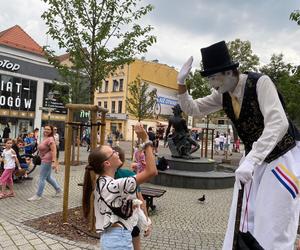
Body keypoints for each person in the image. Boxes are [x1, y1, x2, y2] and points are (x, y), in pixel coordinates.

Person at [176, 40, 300, 249]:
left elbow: (278, 123)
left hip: (282, 155)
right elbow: (193, 109)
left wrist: (251, 160)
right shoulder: (222, 94)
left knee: (274, 221)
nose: (212, 84)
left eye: (214, 77)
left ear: (230, 72)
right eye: (210, 79)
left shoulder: (261, 83)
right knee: (243, 216)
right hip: (255, 160)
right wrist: (181, 85)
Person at [82, 123, 157, 250]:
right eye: (113, 153)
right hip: (118, 240)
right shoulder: (113, 185)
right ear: (107, 163)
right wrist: (146, 141)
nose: (117, 152)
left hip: (114, 238)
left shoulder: (102, 182)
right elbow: (152, 171)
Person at [113, 146, 152, 250]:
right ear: (122, 160)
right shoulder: (129, 175)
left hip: (113, 225)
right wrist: (147, 223)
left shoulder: (102, 180)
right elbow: (141, 200)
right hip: (131, 221)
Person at [27, 125, 62, 201]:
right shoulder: (45, 138)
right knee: (48, 177)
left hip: (47, 160)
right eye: (45, 129)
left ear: (51, 131)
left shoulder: (50, 139)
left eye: (48, 129)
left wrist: (53, 162)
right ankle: (58, 190)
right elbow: (42, 148)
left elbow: (54, 151)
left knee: (42, 178)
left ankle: (38, 195)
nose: (46, 130)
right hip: (44, 158)